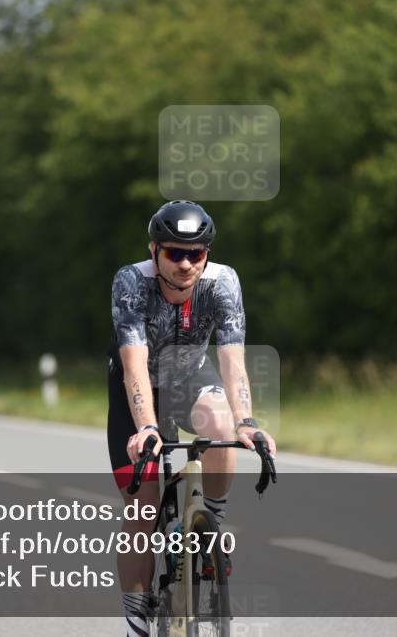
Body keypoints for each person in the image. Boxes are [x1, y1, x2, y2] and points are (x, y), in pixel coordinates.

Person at [107, 200, 277, 637]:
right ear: (154, 251)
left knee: (222, 430)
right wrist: (146, 427)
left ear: (206, 254)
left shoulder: (223, 283)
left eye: (195, 253)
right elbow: (134, 366)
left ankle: (207, 522)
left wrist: (247, 421)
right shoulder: (132, 282)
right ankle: (135, 621)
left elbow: (233, 363)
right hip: (138, 383)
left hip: (189, 376)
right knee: (143, 506)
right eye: (174, 253)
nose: (185, 263)